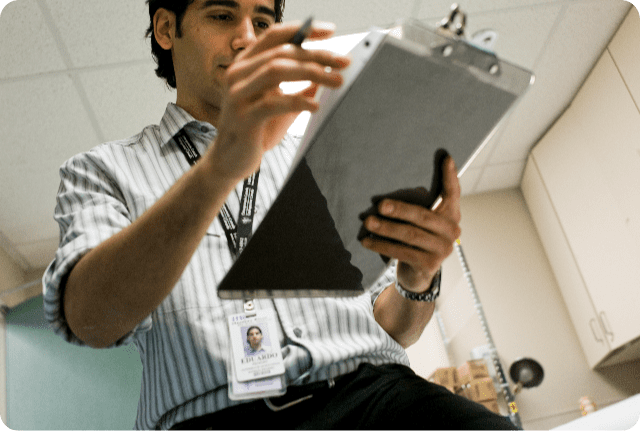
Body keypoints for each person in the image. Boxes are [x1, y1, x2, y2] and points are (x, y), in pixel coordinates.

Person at [42, 0, 518, 429]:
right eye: (222, 15)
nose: (247, 37)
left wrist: (419, 280)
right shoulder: (102, 170)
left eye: (263, 21)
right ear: (167, 29)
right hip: (215, 420)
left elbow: (392, 325)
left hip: (376, 397)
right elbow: (91, 321)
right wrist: (218, 168)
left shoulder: (324, 154)